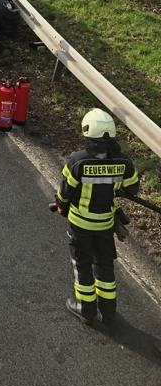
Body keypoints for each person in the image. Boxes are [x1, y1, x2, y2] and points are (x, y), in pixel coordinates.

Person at [54, 109, 140, 327]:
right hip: (105, 225)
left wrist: (62, 206)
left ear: (87, 132)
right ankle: (108, 311)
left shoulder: (77, 161)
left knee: (82, 265)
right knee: (104, 265)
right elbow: (132, 188)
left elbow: (65, 193)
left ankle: (86, 309)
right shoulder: (124, 163)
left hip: (80, 224)